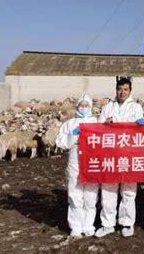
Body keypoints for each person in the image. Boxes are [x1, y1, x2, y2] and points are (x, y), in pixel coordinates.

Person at [95, 77, 144, 238]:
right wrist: (105, 124)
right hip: (110, 153)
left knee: (129, 189)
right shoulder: (107, 107)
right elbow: (98, 127)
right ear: (116, 90)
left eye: (125, 89)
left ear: (130, 91)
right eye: (120, 89)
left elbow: (135, 126)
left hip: (129, 152)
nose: (122, 92)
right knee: (108, 189)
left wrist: (115, 121)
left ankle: (127, 222)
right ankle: (107, 223)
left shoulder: (136, 107)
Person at [56, 93, 99, 237]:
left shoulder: (96, 121)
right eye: (82, 105)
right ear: (77, 106)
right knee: (75, 193)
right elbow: (60, 142)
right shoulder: (70, 123)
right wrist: (72, 135)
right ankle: (76, 226)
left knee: (90, 195)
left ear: (91, 107)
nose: (84, 107)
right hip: (75, 160)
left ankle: (88, 225)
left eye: (87, 105)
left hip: (92, 160)